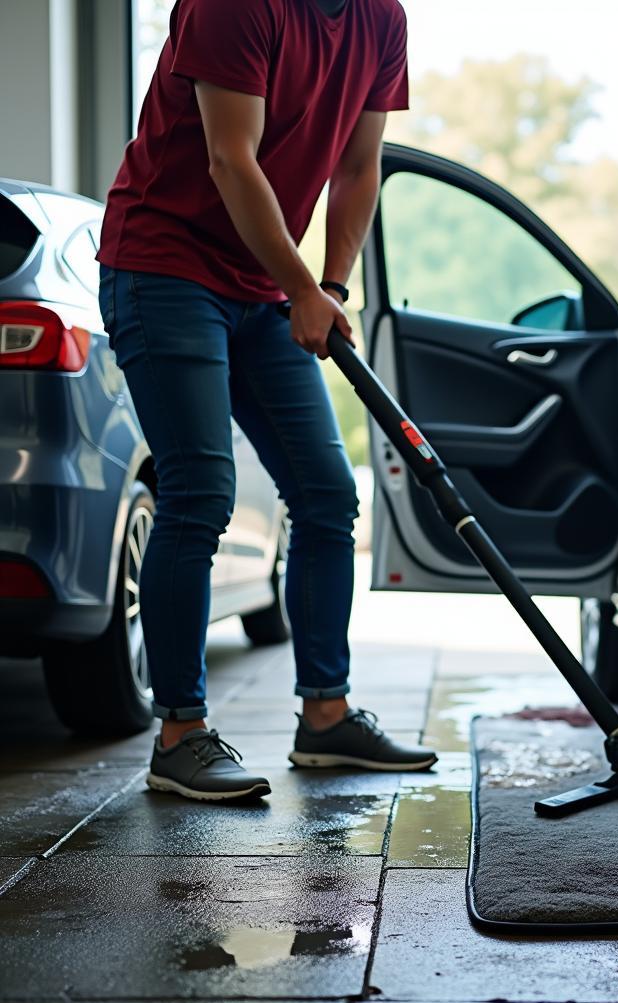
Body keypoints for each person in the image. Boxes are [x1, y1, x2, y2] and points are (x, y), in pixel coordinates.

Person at [96, 0, 436, 802]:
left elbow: (359, 167)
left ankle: (326, 716)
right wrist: (300, 288)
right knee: (199, 490)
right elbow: (229, 159)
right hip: (163, 264)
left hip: (261, 284)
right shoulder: (236, 4)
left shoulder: (380, 18)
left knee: (325, 493)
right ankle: (179, 735)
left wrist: (331, 285)